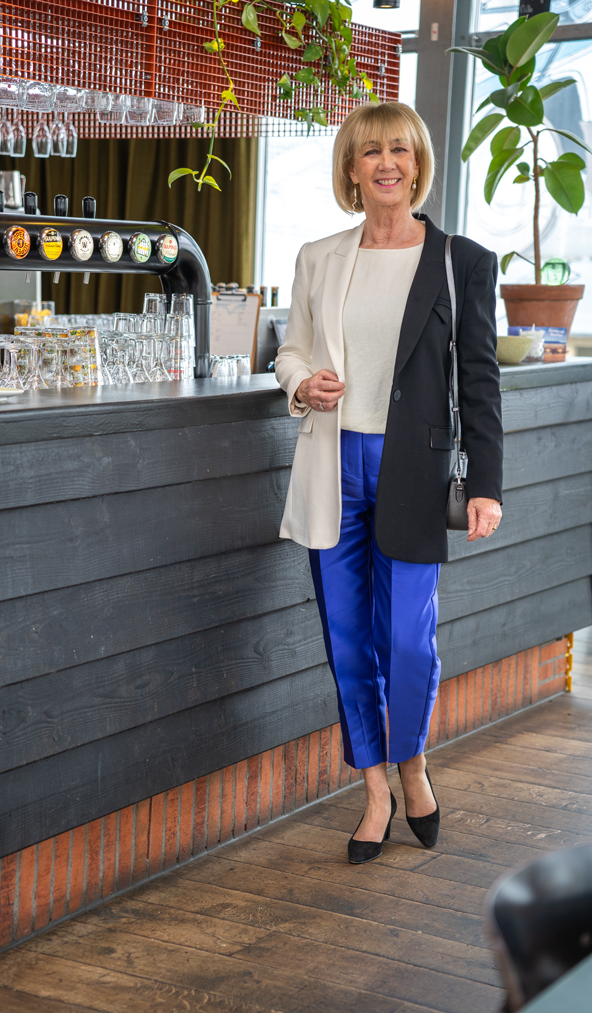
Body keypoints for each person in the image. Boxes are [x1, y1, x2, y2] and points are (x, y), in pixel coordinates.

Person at [275, 101, 503, 864]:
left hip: (412, 470)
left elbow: (479, 380)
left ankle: (412, 761)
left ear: (417, 163)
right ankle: (375, 787)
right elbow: (290, 350)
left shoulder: (458, 260)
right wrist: (304, 383)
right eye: (370, 151)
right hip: (331, 466)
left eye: (400, 150)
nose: (386, 163)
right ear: (350, 167)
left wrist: (485, 484)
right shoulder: (318, 255)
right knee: (347, 640)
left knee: (405, 642)